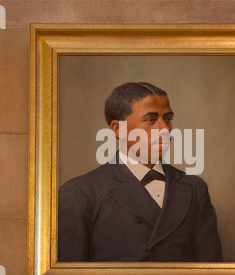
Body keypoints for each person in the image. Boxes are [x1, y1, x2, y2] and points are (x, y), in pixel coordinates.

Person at [58, 82, 223, 262]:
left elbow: (211, 274)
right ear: (118, 129)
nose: (165, 129)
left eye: (168, 118)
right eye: (151, 120)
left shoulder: (194, 188)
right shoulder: (80, 193)